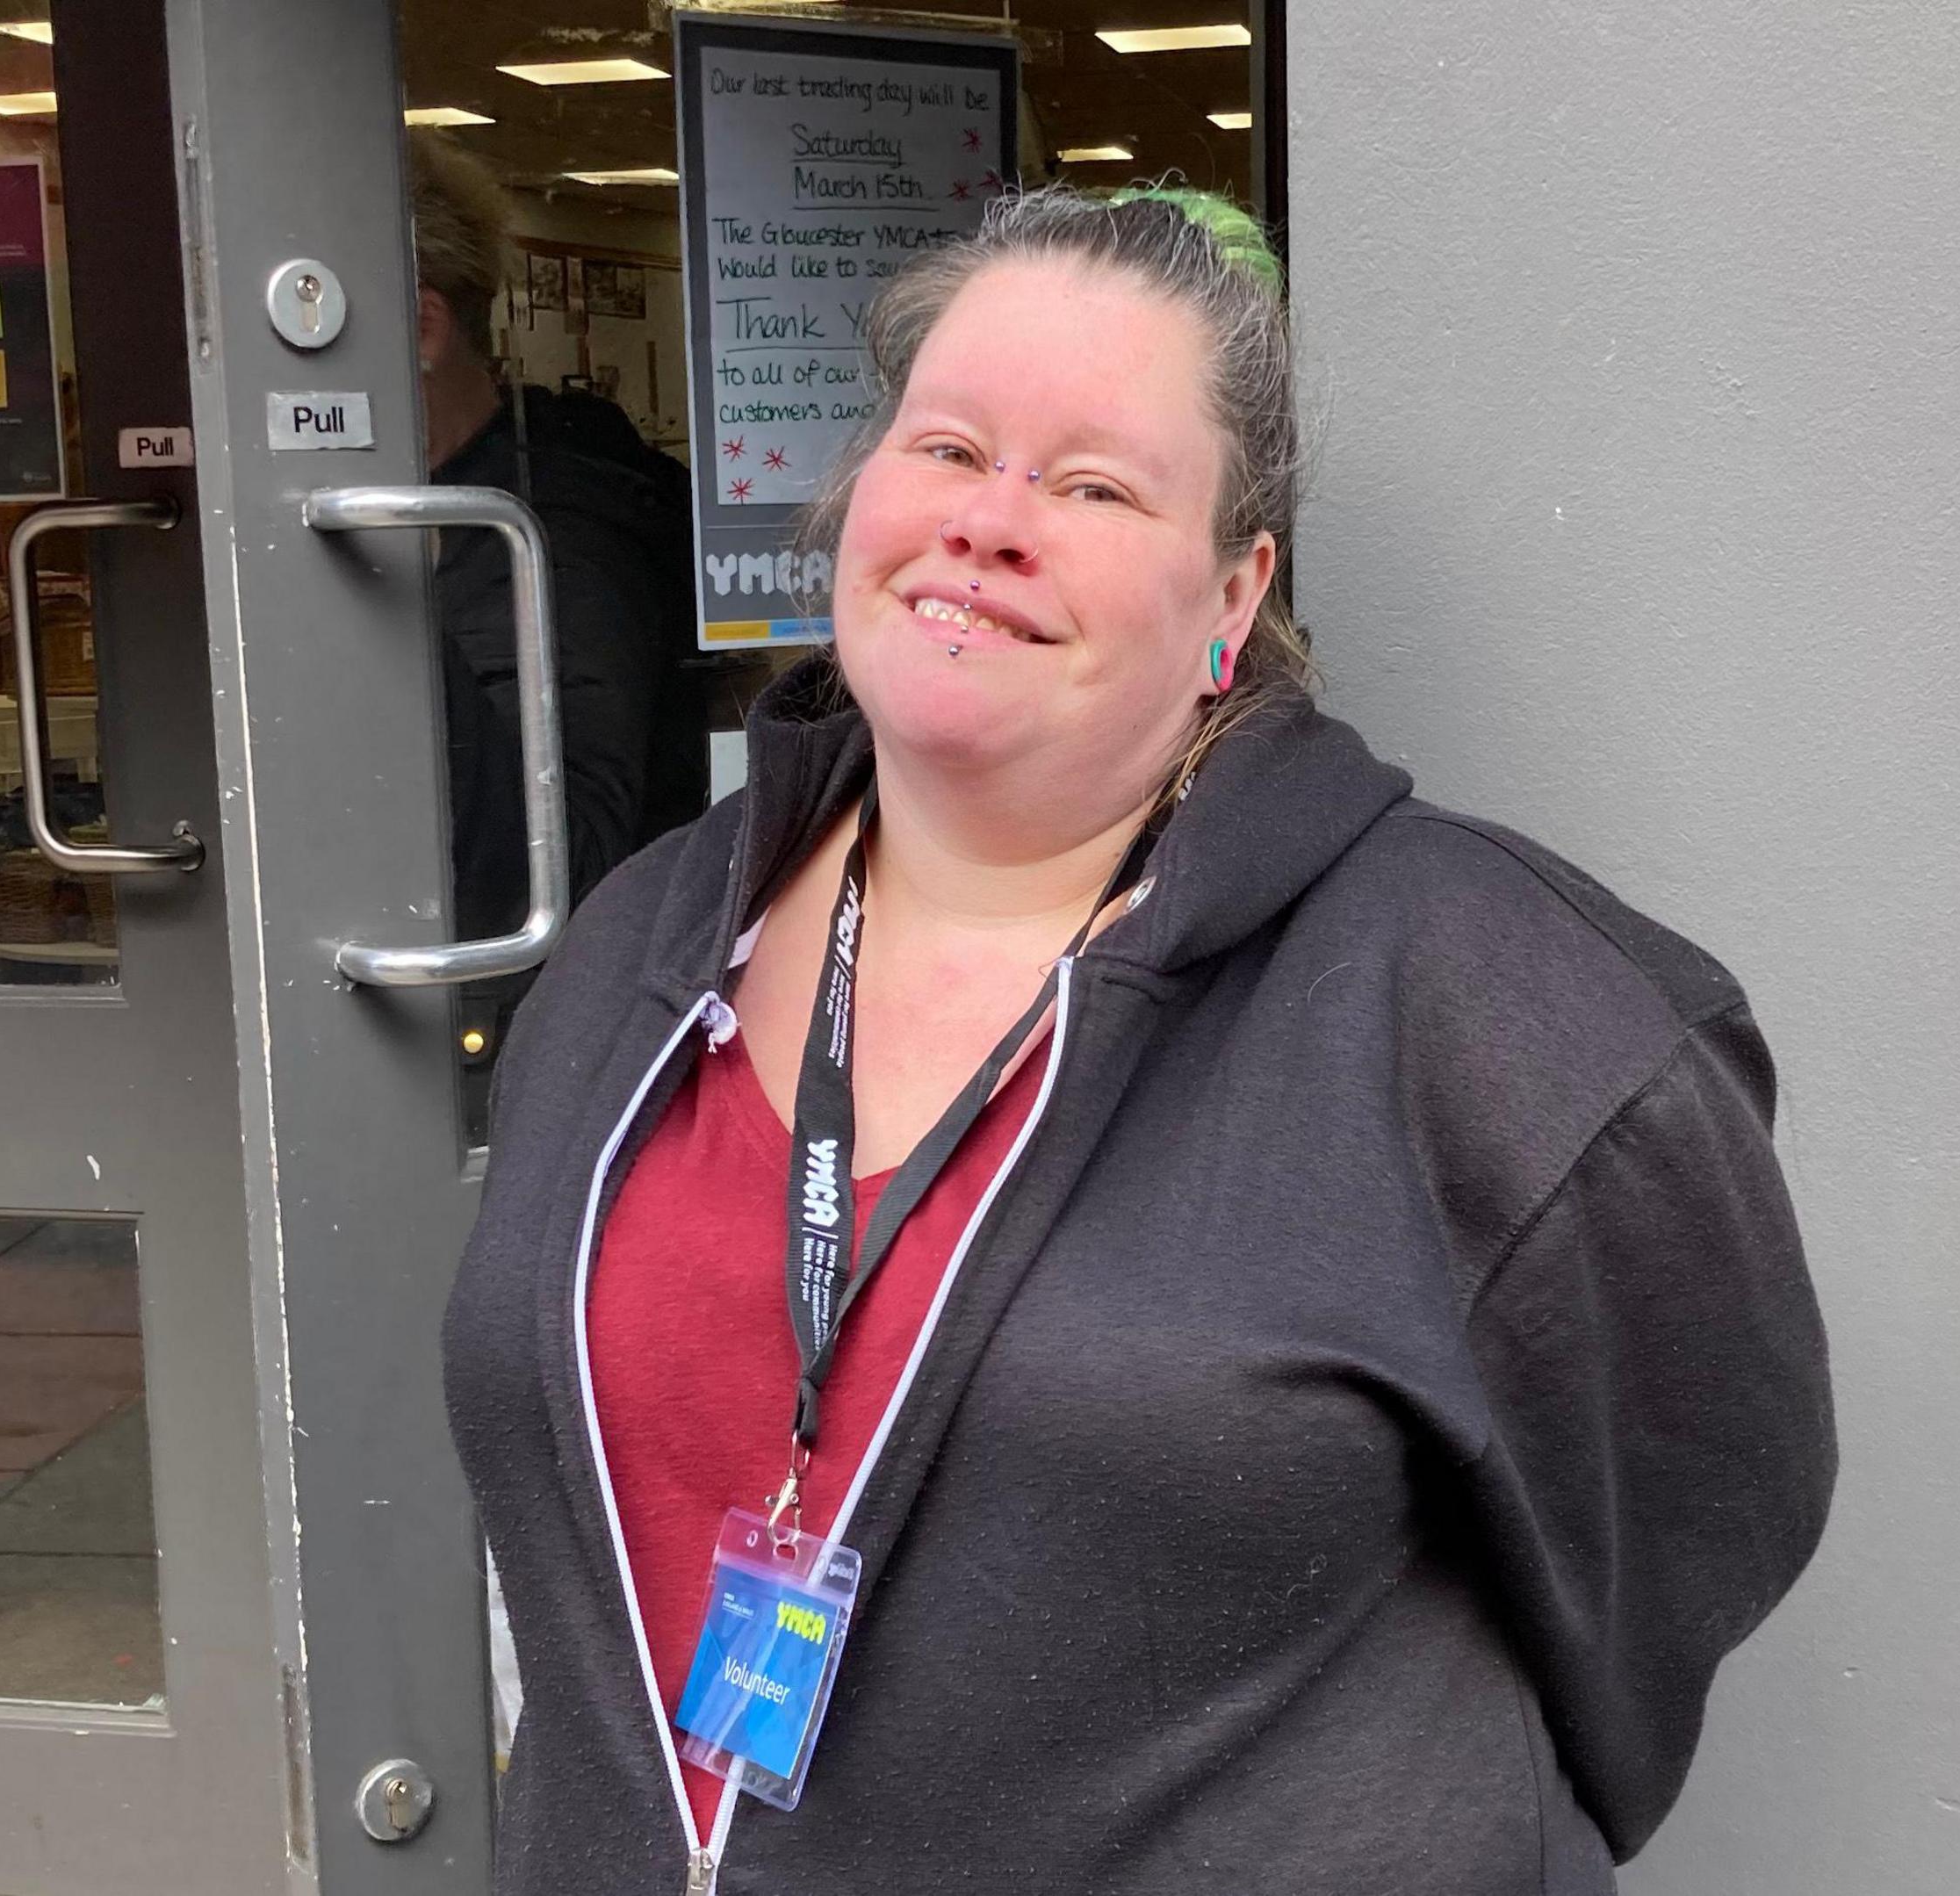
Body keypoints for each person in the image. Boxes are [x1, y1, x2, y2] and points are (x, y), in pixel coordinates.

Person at [443, 185, 1835, 1894]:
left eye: (1096, 483)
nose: (993, 519)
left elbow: (1688, 1524)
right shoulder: (637, 950)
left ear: (1230, 594)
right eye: (949, 446)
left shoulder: (1476, 1000)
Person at [408, 133, 703, 948]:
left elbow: (563, 875)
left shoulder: (561, 541)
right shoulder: (465, 511)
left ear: (424, 327)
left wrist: (390, 615)